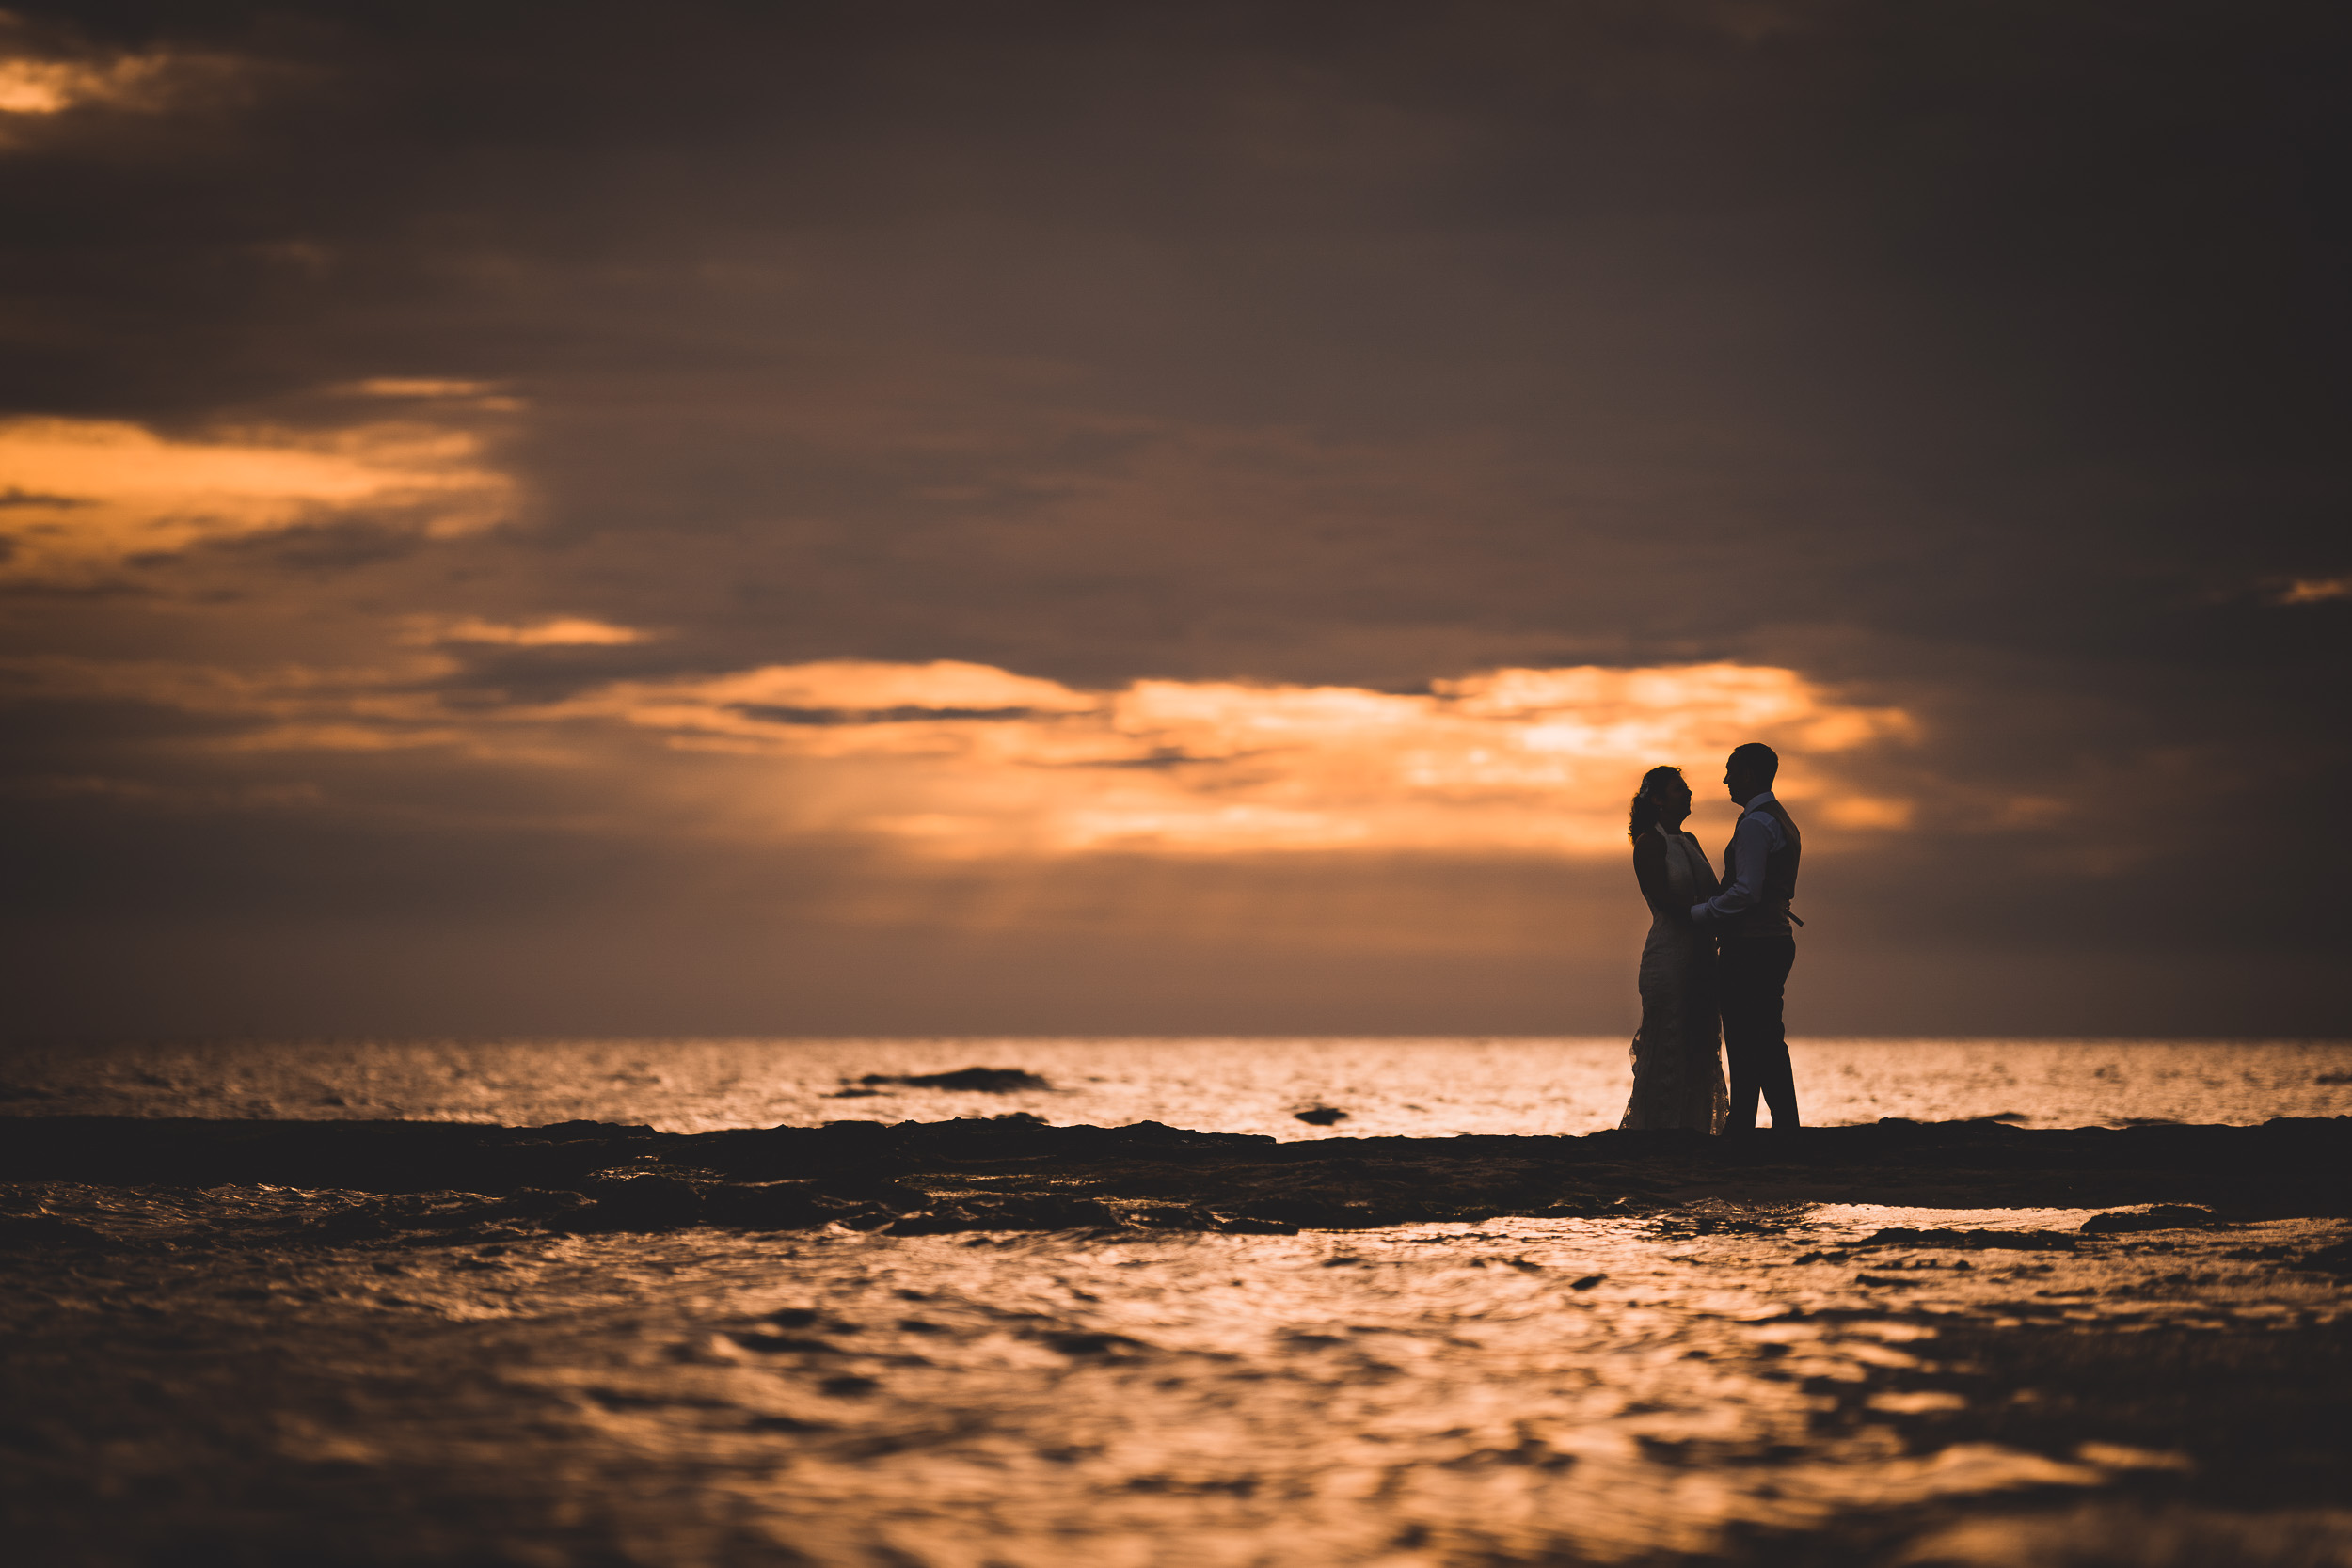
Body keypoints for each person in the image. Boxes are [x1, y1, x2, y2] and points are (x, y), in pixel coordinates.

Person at [1690, 742, 1802, 1130]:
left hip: (1753, 945)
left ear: (1750, 774)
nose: (1725, 780)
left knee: (1748, 1037)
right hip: (1773, 940)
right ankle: (1768, 1125)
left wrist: (1701, 913)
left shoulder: (1756, 824)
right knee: (1765, 1034)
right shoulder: (1781, 819)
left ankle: (1760, 1126)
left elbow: (1747, 891)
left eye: (1731, 772)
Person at [1620, 765, 1730, 1132]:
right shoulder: (1650, 843)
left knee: (1700, 1041)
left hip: (1702, 955)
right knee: (1668, 1038)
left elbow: (1714, 892)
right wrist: (1704, 911)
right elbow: (1663, 898)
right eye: (1679, 789)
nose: (1689, 794)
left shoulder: (1691, 841)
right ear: (1657, 800)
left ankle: (1694, 1126)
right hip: (1670, 954)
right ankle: (1658, 1127)